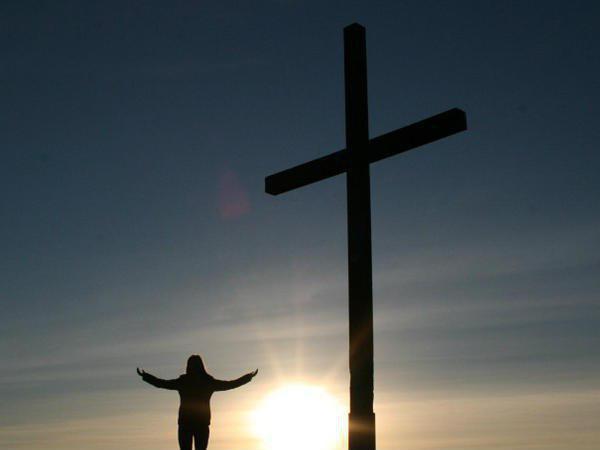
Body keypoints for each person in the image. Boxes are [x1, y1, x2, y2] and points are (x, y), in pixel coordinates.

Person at [137, 355, 258, 450]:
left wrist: (146, 377)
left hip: (189, 424)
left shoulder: (188, 381)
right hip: (197, 424)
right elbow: (230, 384)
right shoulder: (204, 382)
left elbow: (162, 383)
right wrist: (247, 378)